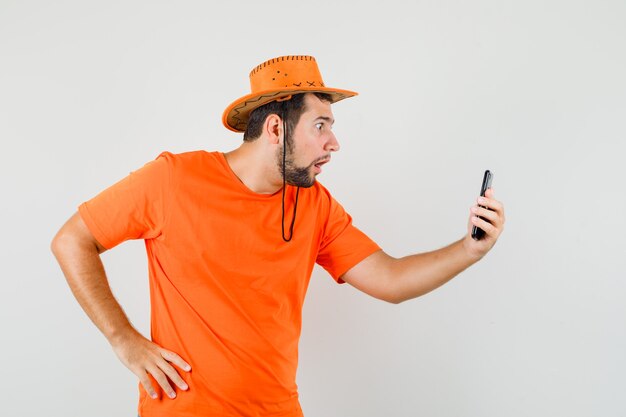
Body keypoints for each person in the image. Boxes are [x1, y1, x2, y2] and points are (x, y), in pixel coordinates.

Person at [51, 55, 505, 417]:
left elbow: (389, 279)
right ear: (275, 128)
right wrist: (123, 339)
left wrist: (469, 249)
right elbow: (72, 240)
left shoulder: (314, 204)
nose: (334, 143)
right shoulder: (171, 180)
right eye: (320, 125)